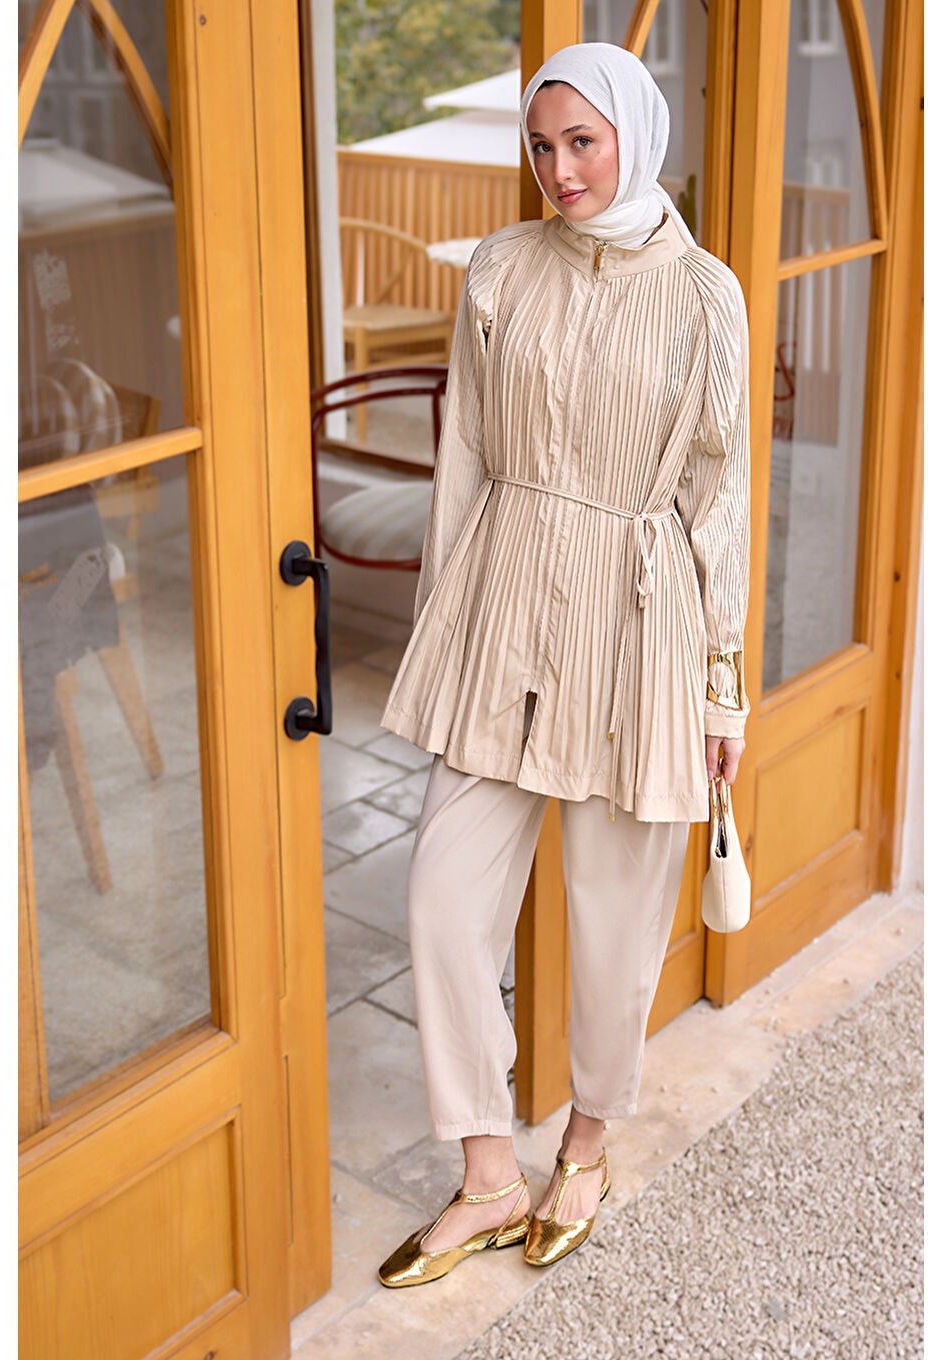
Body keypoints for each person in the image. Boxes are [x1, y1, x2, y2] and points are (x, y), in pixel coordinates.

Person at [375, 41, 751, 1288]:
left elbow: (720, 502)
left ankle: (585, 1146)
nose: (559, 169)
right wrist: (441, 619)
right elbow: (465, 460)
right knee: (441, 897)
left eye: (582, 142)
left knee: (614, 917)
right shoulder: (498, 266)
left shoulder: (705, 296)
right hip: (502, 605)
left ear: (632, 137)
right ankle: (489, 1173)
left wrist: (722, 689)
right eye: (541, 146)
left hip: (640, 623)